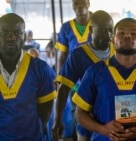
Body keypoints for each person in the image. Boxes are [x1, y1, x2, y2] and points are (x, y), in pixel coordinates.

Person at [72, 18, 136, 141]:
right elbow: (80, 114)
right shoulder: (95, 72)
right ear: (112, 39)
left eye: (134, 33)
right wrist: (103, 129)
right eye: (121, 33)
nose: (127, 36)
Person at [52, 10, 115, 141]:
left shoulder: (118, 53)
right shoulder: (78, 55)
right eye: (103, 31)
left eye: (111, 30)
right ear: (92, 29)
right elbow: (64, 88)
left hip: (112, 115)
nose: (109, 35)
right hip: (87, 115)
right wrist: (58, 120)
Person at [0, 13, 56, 140]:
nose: (11, 38)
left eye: (17, 33)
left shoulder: (40, 68)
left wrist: (34, 130)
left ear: (24, 37)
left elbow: (46, 108)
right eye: (5, 33)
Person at [54, 0, 92, 139]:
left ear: (88, 3)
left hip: (96, 76)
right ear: (72, 6)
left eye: (82, 2)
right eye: (76, 3)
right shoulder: (66, 28)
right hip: (74, 79)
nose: (79, 5)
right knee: (77, 113)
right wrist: (59, 77)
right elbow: (62, 55)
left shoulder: (99, 21)